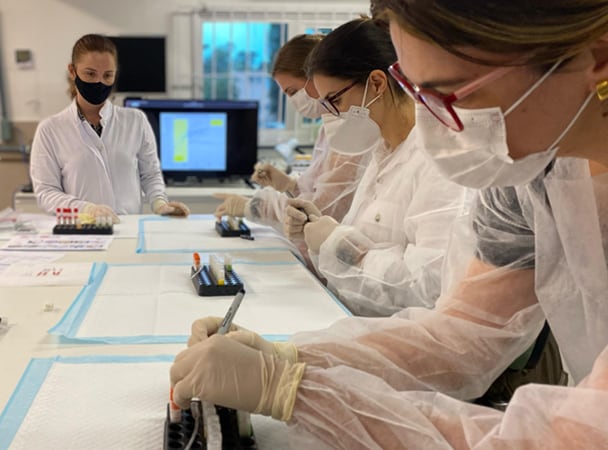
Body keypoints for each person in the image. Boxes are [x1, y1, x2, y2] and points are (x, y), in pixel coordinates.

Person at [171, 2, 608, 447]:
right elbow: (461, 337)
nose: (436, 126)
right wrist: (291, 360)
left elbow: (574, 437)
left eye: (454, 93)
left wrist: (294, 393)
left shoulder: (520, 157)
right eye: (419, 92)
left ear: (597, 57)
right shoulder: (528, 176)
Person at [282, 19, 469, 317]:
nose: (333, 115)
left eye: (336, 100)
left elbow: (429, 287)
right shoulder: (382, 152)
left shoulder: (438, 161)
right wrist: (316, 232)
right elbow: (360, 262)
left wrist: (337, 244)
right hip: (358, 320)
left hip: (403, 342)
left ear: (378, 83)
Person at [214, 34, 368, 230]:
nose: (294, 100)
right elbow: (315, 190)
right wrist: (289, 185)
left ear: (315, 78)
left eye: (293, 91)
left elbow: (321, 210)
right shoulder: (329, 125)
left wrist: (254, 206)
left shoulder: (353, 132)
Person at [30, 34, 189, 222]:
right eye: (90, 74)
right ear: (73, 71)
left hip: (129, 230)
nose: (99, 82)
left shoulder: (135, 121)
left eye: (107, 75)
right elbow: (46, 192)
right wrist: (86, 209)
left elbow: (150, 174)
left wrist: (160, 204)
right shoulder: (50, 130)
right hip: (83, 232)